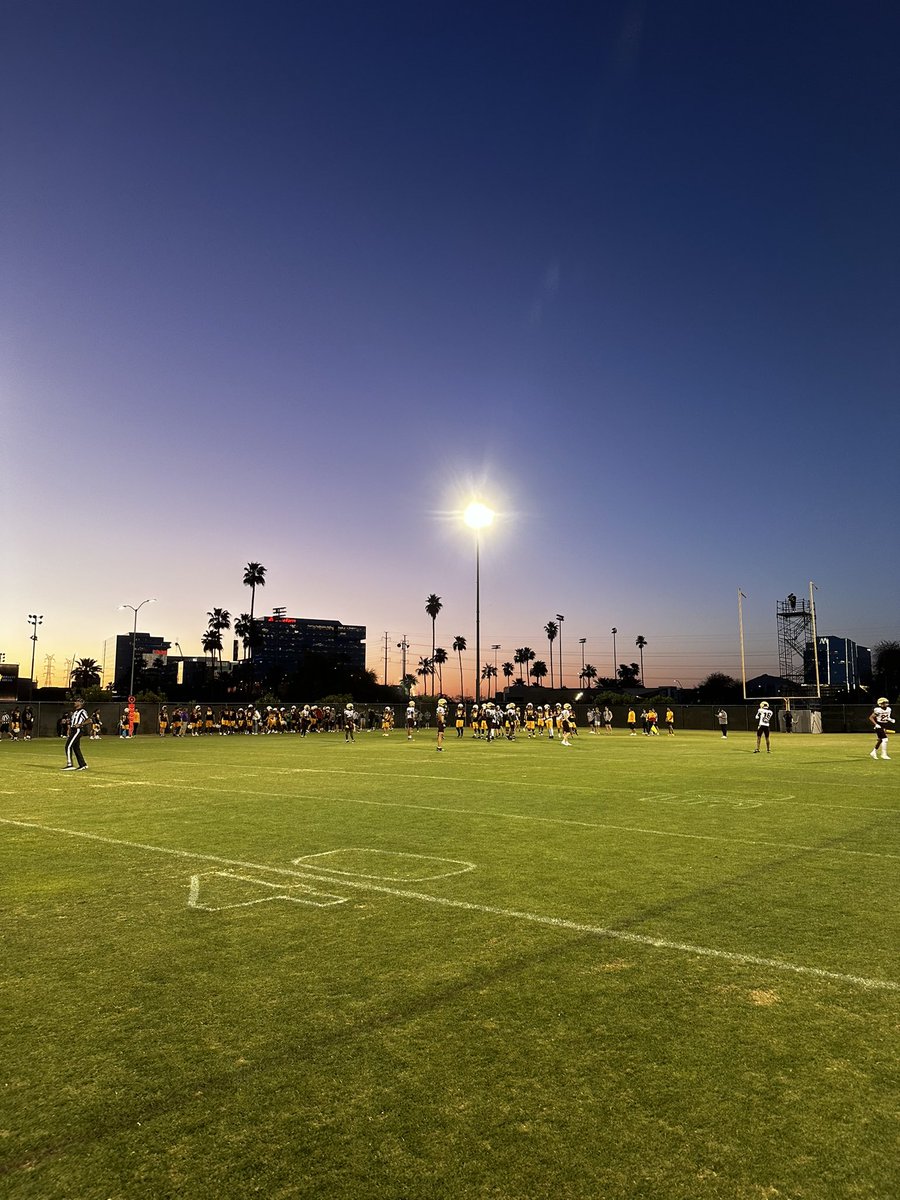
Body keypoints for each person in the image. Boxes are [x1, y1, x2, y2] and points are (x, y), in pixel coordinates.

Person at [62, 697, 90, 771]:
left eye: (76, 701)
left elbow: (89, 720)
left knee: (68, 746)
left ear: (80, 703)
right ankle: (83, 764)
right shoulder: (75, 712)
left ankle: (69, 764)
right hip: (73, 730)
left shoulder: (83, 711)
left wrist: (80, 724)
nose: (75, 702)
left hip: (77, 730)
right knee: (76, 748)